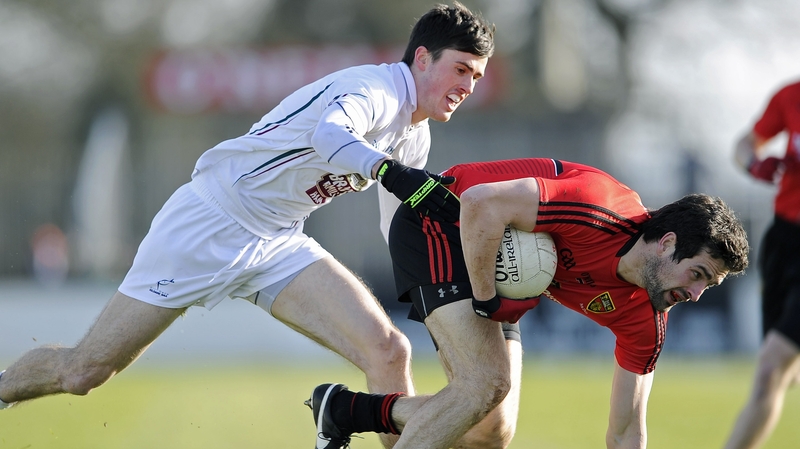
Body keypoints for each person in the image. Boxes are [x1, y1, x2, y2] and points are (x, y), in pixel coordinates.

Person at [0, 3, 494, 449]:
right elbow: (330, 135)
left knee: (388, 351)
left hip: (278, 241)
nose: (468, 87)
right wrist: (389, 171)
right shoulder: (374, 91)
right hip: (209, 222)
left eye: (476, 76)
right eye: (461, 69)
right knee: (85, 371)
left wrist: (436, 301)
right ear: (422, 58)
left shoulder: (414, 135)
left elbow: (396, 227)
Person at [307, 157, 750, 449]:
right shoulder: (597, 208)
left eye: (707, 287)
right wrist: (486, 300)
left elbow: (627, 432)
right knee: (484, 386)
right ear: (667, 243)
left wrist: (491, 297)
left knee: (492, 430)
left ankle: (347, 410)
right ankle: (349, 412)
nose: (695, 295)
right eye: (697, 274)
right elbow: (479, 202)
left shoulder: (647, 319)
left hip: (497, 268)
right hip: (443, 221)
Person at [724, 79, 800, 449]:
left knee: (771, 366)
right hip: (785, 241)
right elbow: (744, 144)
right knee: (781, 372)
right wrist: (755, 164)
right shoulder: (791, 95)